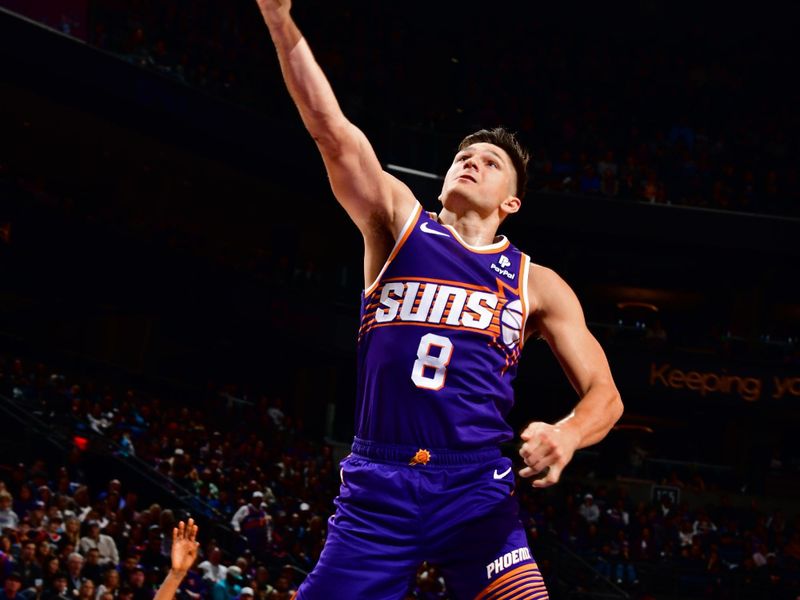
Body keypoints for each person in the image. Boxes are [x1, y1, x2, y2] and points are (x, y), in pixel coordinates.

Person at [254, 1, 624, 597]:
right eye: (463, 157)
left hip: (475, 488)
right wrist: (279, 19)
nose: (471, 162)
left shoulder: (537, 282)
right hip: (378, 486)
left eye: (490, 162)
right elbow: (332, 132)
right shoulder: (398, 225)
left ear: (512, 203)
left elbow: (605, 394)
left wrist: (568, 434)